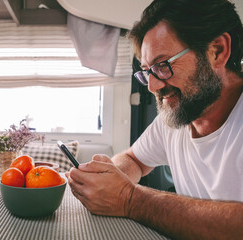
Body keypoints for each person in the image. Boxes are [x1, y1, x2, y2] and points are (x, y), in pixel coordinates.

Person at [65, 0, 243, 239]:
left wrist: (129, 199)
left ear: (217, 51)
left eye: (162, 65)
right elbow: (134, 159)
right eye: (147, 71)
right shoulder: (178, 116)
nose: (152, 86)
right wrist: (111, 178)